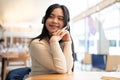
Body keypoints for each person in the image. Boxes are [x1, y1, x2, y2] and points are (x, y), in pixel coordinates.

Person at [29, 3, 74, 76]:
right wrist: (53, 41)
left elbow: (68, 68)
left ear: (66, 25)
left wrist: (68, 42)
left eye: (60, 18)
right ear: (45, 19)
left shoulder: (63, 43)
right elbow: (62, 69)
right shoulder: (36, 44)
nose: (55, 21)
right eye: (51, 16)